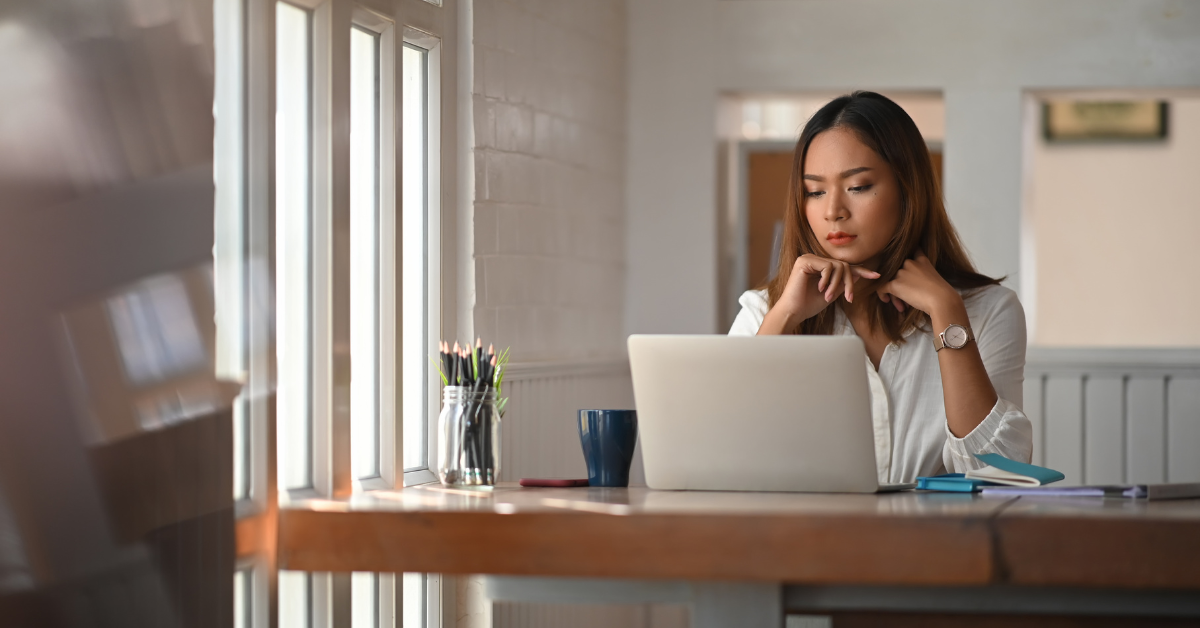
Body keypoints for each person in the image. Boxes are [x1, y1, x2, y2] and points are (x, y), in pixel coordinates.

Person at [729, 91, 1032, 483]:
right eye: (815, 191)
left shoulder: (988, 310)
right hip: (802, 541)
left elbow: (1000, 471)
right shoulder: (763, 311)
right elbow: (730, 450)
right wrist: (786, 315)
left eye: (857, 186)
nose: (833, 210)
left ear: (908, 190)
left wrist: (946, 311)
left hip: (936, 543)